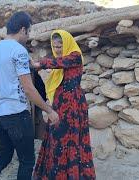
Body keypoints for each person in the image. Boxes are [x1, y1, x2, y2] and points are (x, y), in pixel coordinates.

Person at [0, 11, 59, 180]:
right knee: (27, 161)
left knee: (3, 157)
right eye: (29, 32)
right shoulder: (19, 50)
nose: (28, 36)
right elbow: (28, 89)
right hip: (17, 114)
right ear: (23, 29)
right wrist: (49, 110)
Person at [32, 30, 96, 180]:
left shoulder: (75, 56)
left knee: (71, 139)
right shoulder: (61, 60)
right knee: (57, 139)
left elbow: (59, 62)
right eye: (55, 46)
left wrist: (39, 63)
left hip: (73, 105)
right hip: (59, 105)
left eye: (60, 46)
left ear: (67, 43)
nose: (58, 50)